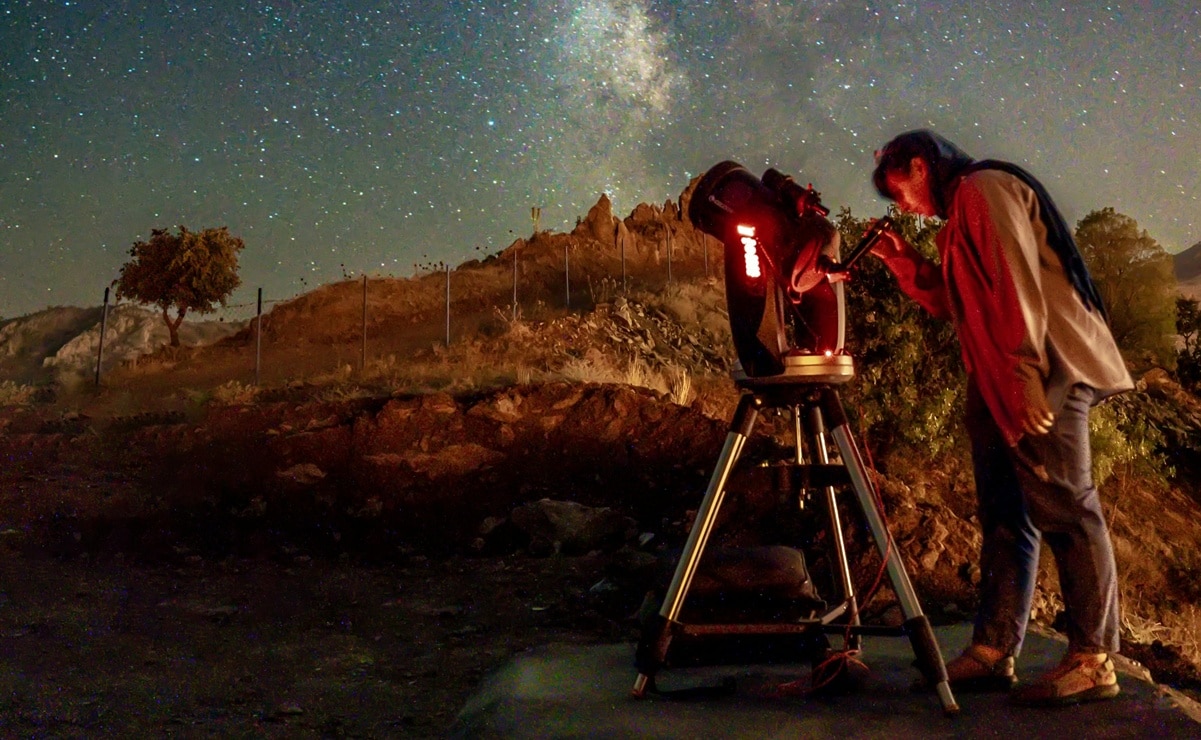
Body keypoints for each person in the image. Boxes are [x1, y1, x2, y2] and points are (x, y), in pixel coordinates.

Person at [867, 130, 1133, 706]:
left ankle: (1094, 660)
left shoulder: (985, 189)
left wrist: (1023, 374)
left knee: (1066, 507)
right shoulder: (960, 215)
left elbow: (1018, 285)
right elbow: (956, 302)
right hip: (999, 377)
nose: (905, 207)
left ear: (921, 164)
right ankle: (993, 651)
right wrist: (902, 262)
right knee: (1006, 517)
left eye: (901, 191)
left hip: (1046, 368)